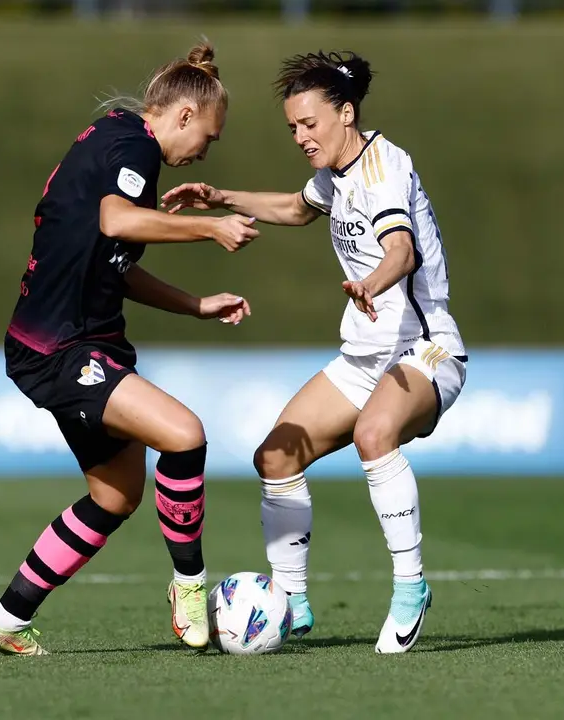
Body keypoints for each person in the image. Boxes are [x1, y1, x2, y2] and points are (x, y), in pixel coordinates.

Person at [161, 50, 467, 654]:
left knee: (374, 436)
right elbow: (298, 209)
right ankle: (292, 598)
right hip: (366, 357)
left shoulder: (383, 168)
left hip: (427, 350)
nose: (301, 137)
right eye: (293, 128)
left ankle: (411, 588)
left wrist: (369, 285)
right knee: (276, 457)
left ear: (346, 113)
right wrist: (220, 196)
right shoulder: (337, 173)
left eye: (310, 124)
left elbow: (400, 250)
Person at [0, 41, 258, 656]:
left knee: (116, 494)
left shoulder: (117, 139)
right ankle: (189, 591)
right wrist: (210, 226)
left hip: (69, 341)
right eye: (207, 136)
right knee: (184, 433)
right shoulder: (134, 147)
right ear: (182, 116)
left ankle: (3, 622)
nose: (204, 150)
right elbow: (116, 222)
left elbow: (117, 266)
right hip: (60, 348)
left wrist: (197, 304)